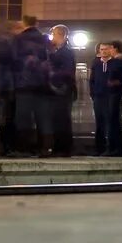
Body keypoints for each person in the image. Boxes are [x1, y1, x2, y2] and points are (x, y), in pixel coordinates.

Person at [12, 16, 49, 156]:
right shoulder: (44, 39)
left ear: (24, 23)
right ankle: (42, 147)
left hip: (23, 83)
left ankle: (24, 148)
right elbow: (47, 59)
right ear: (36, 23)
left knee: (23, 116)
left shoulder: (19, 39)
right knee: (41, 116)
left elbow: (14, 60)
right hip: (41, 84)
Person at [47, 25, 76, 157]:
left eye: (54, 34)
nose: (52, 37)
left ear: (61, 35)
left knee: (62, 119)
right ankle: (60, 146)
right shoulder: (59, 51)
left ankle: (63, 148)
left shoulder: (66, 52)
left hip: (62, 89)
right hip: (60, 89)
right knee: (57, 119)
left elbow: (67, 71)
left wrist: (52, 74)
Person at [0, 20, 19, 156]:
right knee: (8, 117)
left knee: (6, 117)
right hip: (9, 86)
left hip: (6, 86)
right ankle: (7, 146)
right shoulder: (9, 43)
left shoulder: (3, 43)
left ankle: (6, 146)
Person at [89, 42, 113, 156]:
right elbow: (92, 80)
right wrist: (93, 94)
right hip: (98, 97)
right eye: (101, 49)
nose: (103, 51)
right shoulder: (96, 63)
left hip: (110, 98)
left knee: (110, 122)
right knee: (99, 123)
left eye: (106, 49)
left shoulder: (114, 63)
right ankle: (99, 148)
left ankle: (110, 148)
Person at [107, 40, 122, 156]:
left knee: (114, 120)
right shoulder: (118, 61)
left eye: (110, 48)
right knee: (114, 120)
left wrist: (113, 82)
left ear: (115, 48)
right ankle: (116, 148)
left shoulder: (118, 61)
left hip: (115, 94)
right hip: (115, 94)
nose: (109, 50)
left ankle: (116, 148)